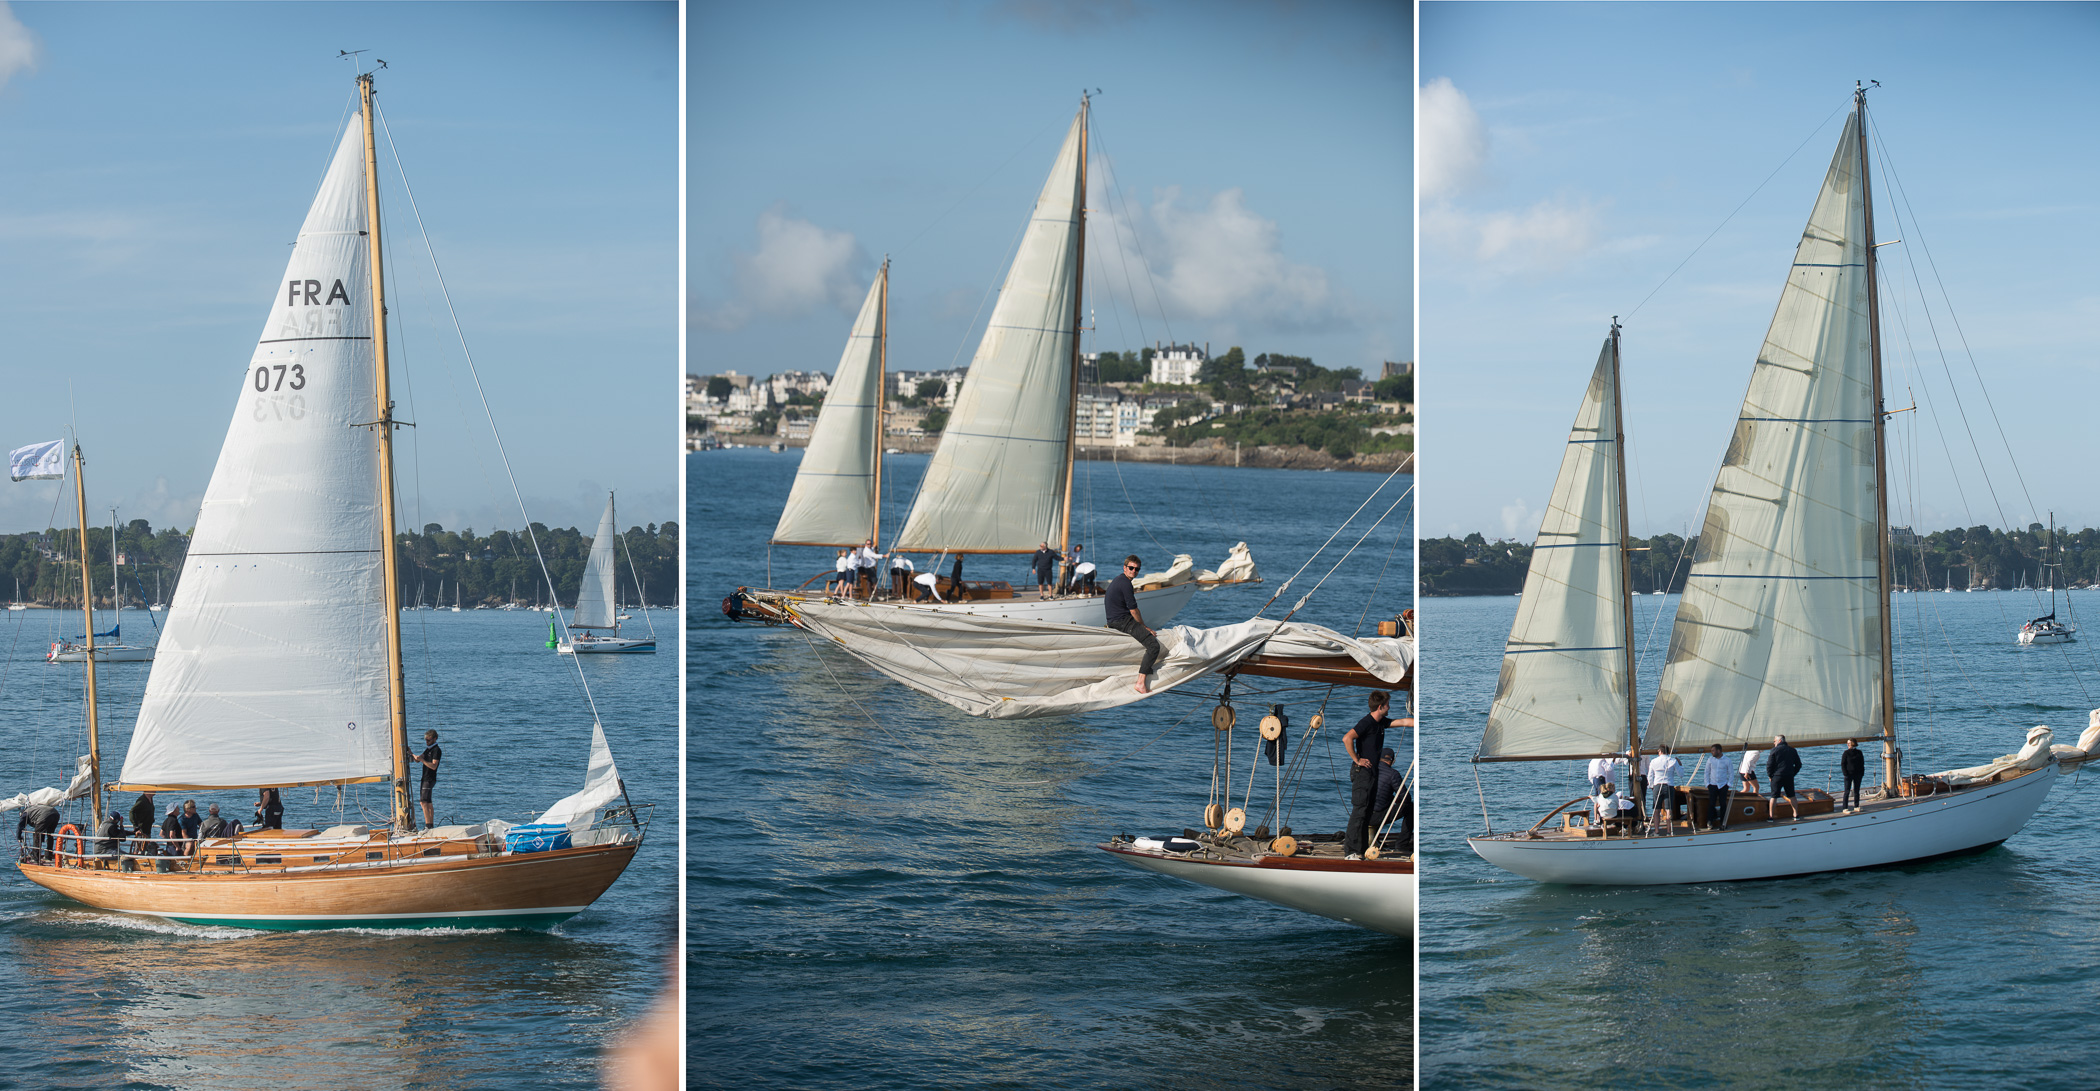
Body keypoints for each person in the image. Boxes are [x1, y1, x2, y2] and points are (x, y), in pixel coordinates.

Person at [1341, 691, 1395, 859]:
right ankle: (1351, 852)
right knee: (1360, 810)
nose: (1389, 707)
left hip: (1372, 773)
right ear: (1380, 707)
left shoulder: (1380, 723)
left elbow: (1403, 722)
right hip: (1362, 773)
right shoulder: (1367, 722)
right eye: (1387, 705)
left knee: (1367, 811)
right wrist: (1357, 759)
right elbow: (1347, 738)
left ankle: (1361, 849)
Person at [1104, 555, 1163, 695]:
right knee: (1154, 646)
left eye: (1136, 569)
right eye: (1131, 568)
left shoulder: (1119, 580)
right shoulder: (1125, 584)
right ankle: (1141, 683)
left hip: (1114, 619)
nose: (1133, 571)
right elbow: (1134, 610)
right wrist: (1144, 627)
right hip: (1121, 621)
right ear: (1125, 568)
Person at [1373, 746, 1411, 849]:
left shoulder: (1370, 769)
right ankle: (1401, 844)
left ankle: (1374, 839)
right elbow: (1406, 799)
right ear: (1392, 761)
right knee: (1411, 807)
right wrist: (1396, 800)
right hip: (1377, 817)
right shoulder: (1393, 774)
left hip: (1362, 814)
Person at [1647, 745, 1684, 829]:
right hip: (1668, 786)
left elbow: (1650, 776)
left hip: (1657, 786)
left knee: (1656, 810)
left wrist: (1652, 786)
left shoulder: (1653, 761)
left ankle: (1656, 830)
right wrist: (1680, 765)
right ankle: (1669, 831)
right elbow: (1681, 774)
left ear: (1660, 751)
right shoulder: (1673, 761)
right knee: (1668, 809)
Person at [1766, 735, 1802, 820]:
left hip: (1777, 776)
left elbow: (1769, 765)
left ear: (1779, 741)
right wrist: (1793, 773)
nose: (1774, 743)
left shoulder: (1774, 750)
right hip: (1789, 775)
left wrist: (1770, 775)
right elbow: (1798, 765)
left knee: (1774, 796)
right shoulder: (1792, 750)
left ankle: (1771, 816)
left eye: (1774, 741)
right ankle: (1796, 814)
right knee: (1791, 795)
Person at [415, 729, 444, 829]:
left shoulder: (436, 750)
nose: (427, 742)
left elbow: (434, 766)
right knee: (428, 802)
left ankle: (428, 825)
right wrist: (412, 754)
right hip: (425, 778)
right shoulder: (428, 749)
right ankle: (430, 824)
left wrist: (422, 760)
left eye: (429, 740)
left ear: (434, 739)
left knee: (423, 802)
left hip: (429, 778)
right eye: (426, 740)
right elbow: (419, 759)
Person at [1703, 743, 1735, 828]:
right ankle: (1710, 821)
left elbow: (1731, 773)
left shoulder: (1727, 760)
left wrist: (1728, 785)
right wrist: (1707, 784)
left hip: (1723, 785)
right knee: (1711, 804)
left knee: (1723, 804)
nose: (1712, 752)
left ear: (1719, 751)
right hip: (1712, 785)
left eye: (1713, 750)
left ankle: (1723, 822)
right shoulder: (1710, 760)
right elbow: (1706, 772)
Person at [128, 791, 157, 857]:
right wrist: (135, 826)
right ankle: (136, 862)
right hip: (141, 830)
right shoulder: (142, 800)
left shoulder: (150, 799)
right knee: (139, 849)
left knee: (146, 848)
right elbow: (131, 812)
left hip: (148, 829)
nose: (155, 791)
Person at [1840, 738, 1866, 812]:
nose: (1847, 745)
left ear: (1853, 744)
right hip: (1848, 774)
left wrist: (1862, 773)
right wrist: (1845, 773)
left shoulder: (1859, 752)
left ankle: (1856, 806)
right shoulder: (1846, 753)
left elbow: (1862, 763)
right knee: (1847, 791)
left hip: (1858, 774)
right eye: (1847, 743)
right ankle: (1845, 808)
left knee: (1856, 791)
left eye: (1849, 743)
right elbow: (1843, 764)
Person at [158, 805, 184, 869]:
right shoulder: (174, 820)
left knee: (171, 864)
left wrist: (168, 839)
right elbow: (172, 834)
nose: (178, 809)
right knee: (176, 865)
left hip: (169, 846)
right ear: (173, 811)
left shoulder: (166, 820)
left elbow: (161, 834)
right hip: (174, 847)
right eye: (177, 808)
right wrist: (177, 846)